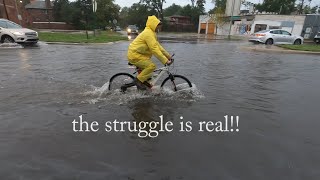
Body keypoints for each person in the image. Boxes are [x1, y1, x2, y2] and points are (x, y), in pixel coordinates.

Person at [127, 15, 173, 90]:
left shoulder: (151, 33)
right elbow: (154, 49)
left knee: (148, 73)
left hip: (139, 55)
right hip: (135, 55)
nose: (159, 28)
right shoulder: (148, 34)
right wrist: (165, 61)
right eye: (158, 26)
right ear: (154, 25)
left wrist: (168, 56)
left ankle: (143, 84)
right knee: (151, 66)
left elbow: (158, 47)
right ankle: (138, 81)